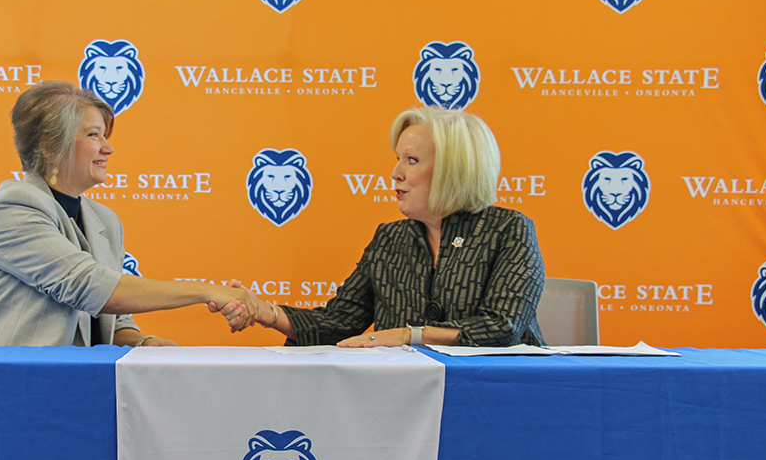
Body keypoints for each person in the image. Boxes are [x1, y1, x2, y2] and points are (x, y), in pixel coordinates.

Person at [0, 81, 256, 347]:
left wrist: (145, 343)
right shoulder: (14, 206)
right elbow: (91, 288)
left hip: (72, 381)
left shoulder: (105, 220)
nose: (108, 148)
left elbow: (113, 321)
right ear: (48, 146)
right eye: (94, 135)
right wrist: (206, 290)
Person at [231, 106, 545, 348]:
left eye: (411, 160)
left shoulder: (508, 230)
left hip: (502, 396)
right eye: (398, 159)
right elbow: (338, 322)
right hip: (408, 394)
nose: (395, 173)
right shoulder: (391, 238)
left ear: (454, 167)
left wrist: (410, 335)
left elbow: (502, 327)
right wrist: (264, 312)